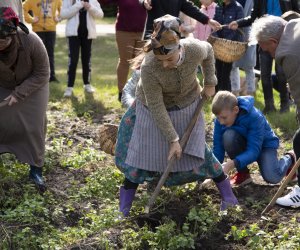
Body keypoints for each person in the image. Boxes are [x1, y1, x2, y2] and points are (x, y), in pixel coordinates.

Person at [115, 15, 238, 217]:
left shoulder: (194, 48)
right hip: (151, 109)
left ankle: (229, 198)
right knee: (141, 158)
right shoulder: (149, 67)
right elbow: (156, 105)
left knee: (199, 152)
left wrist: (210, 82)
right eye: (160, 60)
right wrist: (173, 139)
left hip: (188, 104)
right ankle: (123, 210)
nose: (164, 64)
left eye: (169, 59)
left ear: (179, 47)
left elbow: (209, 53)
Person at [250, 15, 300, 207]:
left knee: (299, 140)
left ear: (273, 41)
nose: (270, 54)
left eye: (267, 50)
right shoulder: (294, 23)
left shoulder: (288, 54)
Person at [0, 7, 50, 191]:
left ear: (13, 34)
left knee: (33, 125)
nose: (0, 43)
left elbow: (42, 73)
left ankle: (36, 168)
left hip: (34, 84)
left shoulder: (31, 41)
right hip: (3, 83)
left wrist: (19, 93)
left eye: (4, 39)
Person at [228, 0, 299, 113]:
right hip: (265, 38)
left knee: (282, 75)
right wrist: (239, 23)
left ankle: (285, 105)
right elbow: (253, 17)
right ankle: (269, 105)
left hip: (283, 37)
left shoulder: (290, 56)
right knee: (265, 75)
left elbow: (296, 13)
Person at [212, 91, 295, 186]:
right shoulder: (221, 119)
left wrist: (232, 164)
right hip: (245, 144)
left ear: (236, 110)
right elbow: (218, 148)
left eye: (224, 118)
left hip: (264, 146)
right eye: (218, 118)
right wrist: (213, 170)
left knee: (273, 177)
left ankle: (290, 157)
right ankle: (243, 174)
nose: (221, 122)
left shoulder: (254, 117)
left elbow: (254, 151)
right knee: (228, 136)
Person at [60, 0, 104, 97]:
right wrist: (78, 5)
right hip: (73, 34)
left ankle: (87, 84)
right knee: (73, 60)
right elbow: (63, 14)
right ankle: (69, 87)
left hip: (88, 35)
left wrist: (90, 7)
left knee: (86, 60)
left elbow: (100, 15)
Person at [105, 0, 146, 102]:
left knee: (141, 64)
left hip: (144, 31)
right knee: (125, 61)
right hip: (124, 31)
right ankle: (122, 93)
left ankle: (139, 92)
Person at [139, 0, 221, 40]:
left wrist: (208, 20)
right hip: (152, 36)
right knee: (150, 70)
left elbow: (190, 8)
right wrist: (144, 2)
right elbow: (142, 1)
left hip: (171, 38)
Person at [23, 0, 62, 83]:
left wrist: (58, 18)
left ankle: (51, 76)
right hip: (38, 30)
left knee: (50, 53)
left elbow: (63, 10)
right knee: (38, 54)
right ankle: (37, 76)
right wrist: (31, 19)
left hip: (51, 30)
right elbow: (23, 8)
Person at [213, 0, 244, 92]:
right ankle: (217, 93)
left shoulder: (238, 8)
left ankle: (226, 94)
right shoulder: (218, 7)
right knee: (218, 70)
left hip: (231, 46)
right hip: (219, 45)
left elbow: (239, 27)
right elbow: (215, 23)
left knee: (226, 72)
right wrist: (218, 38)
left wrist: (226, 41)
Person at [229, 0, 256, 97]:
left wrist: (252, 34)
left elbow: (255, 17)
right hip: (233, 35)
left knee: (249, 64)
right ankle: (235, 92)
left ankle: (250, 92)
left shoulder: (252, 1)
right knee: (233, 64)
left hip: (249, 34)